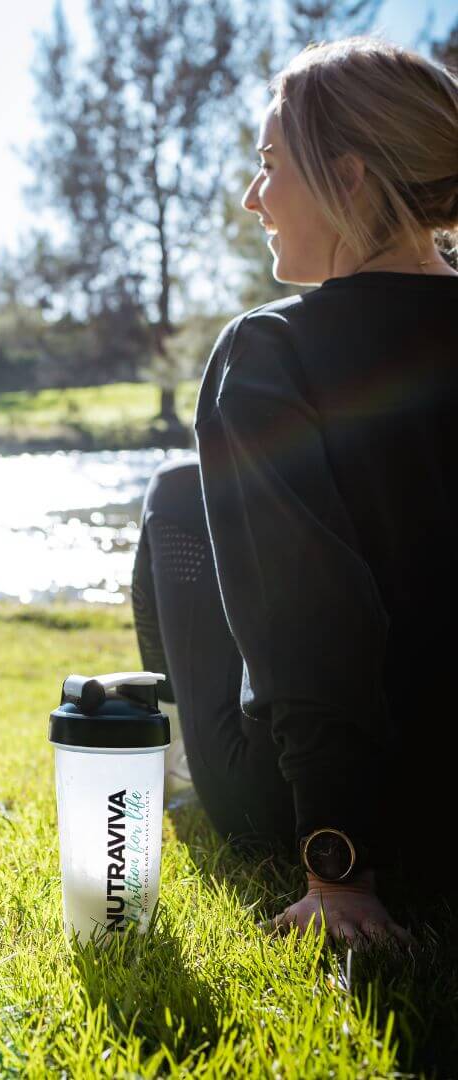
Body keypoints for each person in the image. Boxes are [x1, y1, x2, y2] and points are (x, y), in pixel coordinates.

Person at [132, 38, 458, 944]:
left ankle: (189, 776)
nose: (252, 198)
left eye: (270, 165)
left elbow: (313, 613)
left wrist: (338, 864)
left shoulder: (270, 350)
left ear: (349, 179)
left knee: (173, 496)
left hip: (335, 810)